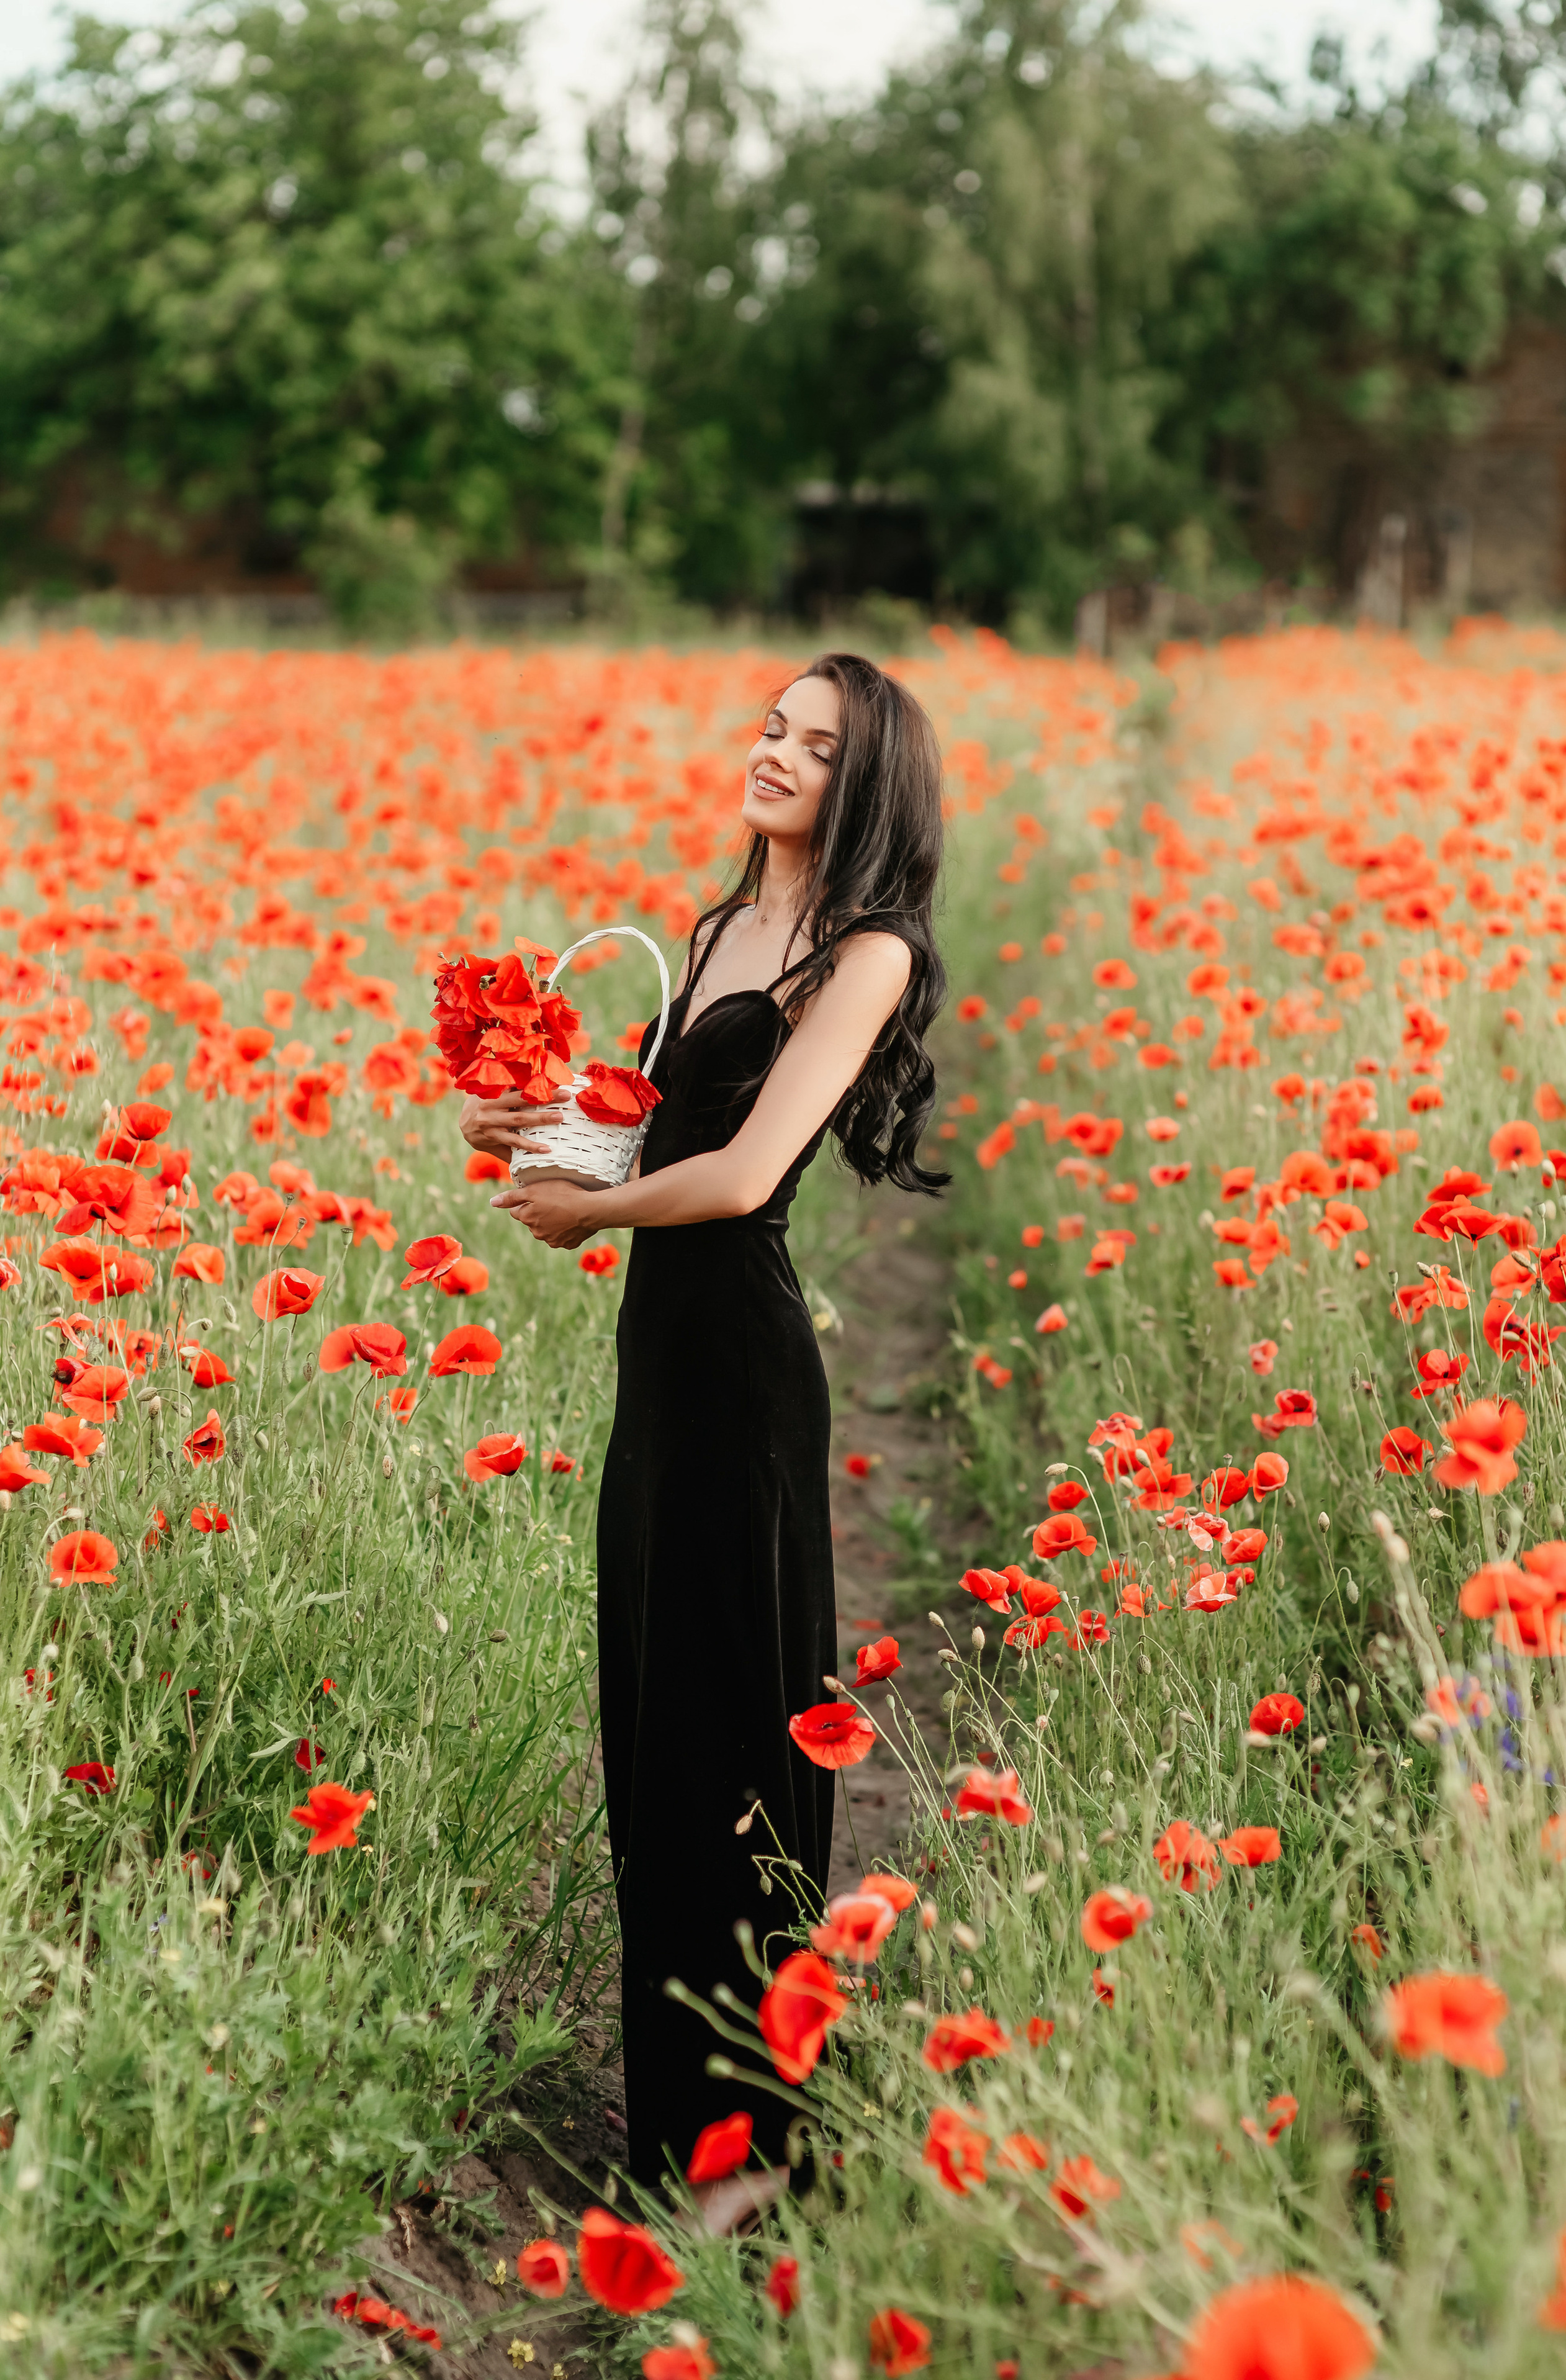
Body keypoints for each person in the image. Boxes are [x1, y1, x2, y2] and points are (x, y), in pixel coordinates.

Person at [459, 653, 947, 2232]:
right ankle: (674, 2135)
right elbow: (643, 1134)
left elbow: (737, 1178)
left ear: (863, 785)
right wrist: (527, 1131)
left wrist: (592, 1206)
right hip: (657, 1368)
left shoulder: (861, 956)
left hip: (740, 1365)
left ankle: (754, 2156)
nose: (772, 757)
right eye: (768, 728)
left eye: (813, 748)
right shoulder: (717, 928)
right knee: (659, 1738)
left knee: (735, 1736)